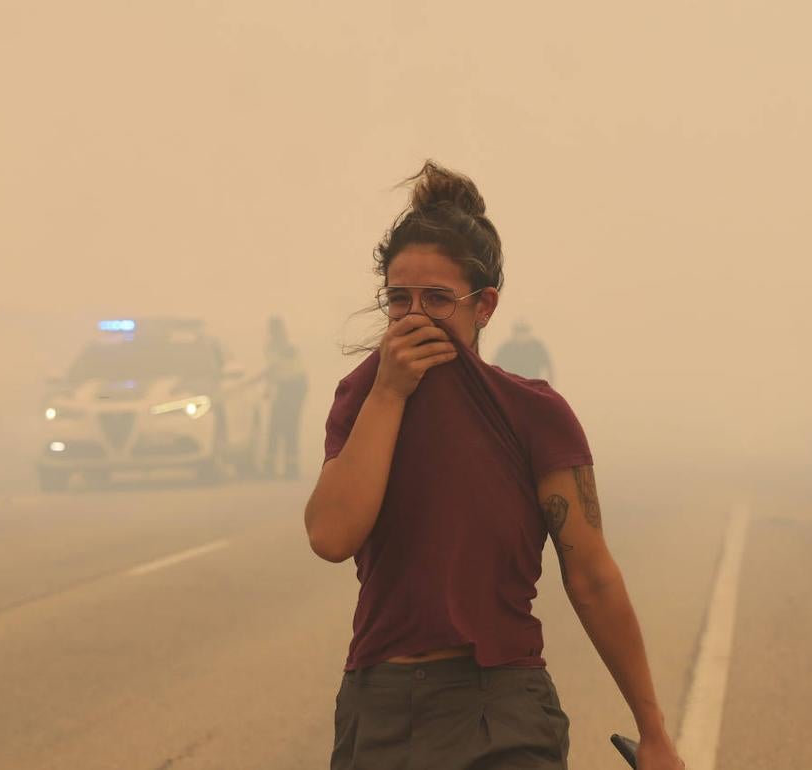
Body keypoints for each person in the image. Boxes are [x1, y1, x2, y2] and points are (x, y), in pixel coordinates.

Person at [304, 161, 684, 770]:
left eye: (437, 298)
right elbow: (330, 535)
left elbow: (591, 576)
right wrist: (388, 393)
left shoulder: (532, 413)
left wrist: (654, 731)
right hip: (381, 708)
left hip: (500, 706)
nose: (415, 315)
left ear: (484, 305)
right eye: (398, 298)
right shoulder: (362, 396)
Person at [263, 315, 308, 479]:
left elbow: (272, 369)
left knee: (279, 425)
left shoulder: (278, 346)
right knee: (286, 425)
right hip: (294, 386)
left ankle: (278, 467)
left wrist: (267, 388)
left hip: (292, 387)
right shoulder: (287, 344)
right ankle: (289, 467)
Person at [494, 318, 555, 384]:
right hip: (512, 384)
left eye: (523, 331)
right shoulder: (506, 348)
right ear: (514, 333)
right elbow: (495, 367)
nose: (521, 335)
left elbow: (548, 367)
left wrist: (551, 384)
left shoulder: (537, 347)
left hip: (532, 385)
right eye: (518, 332)